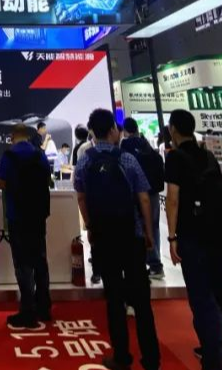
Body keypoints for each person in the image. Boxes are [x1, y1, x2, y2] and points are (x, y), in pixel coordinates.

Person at [165, 110, 222, 370]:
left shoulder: (175, 158)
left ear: (173, 129)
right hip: (217, 232)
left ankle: (213, 358)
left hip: (192, 235)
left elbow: (173, 199)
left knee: (202, 300)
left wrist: (172, 237)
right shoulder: (207, 155)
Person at [75, 108, 159, 370]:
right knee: (141, 299)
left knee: (114, 298)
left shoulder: (85, 161)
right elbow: (144, 197)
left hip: (104, 236)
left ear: (92, 132)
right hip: (131, 235)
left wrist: (90, 225)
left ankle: (121, 357)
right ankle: (151, 359)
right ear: (113, 129)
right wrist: (148, 232)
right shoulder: (128, 159)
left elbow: (81, 197)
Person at [0, 124, 52, 328]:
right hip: (38, 215)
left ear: (13, 136)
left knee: (22, 264)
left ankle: (27, 311)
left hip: (18, 215)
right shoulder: (39, 154)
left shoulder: (9, 156)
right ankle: (44, 307)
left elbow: (1, 182)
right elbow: (48, 178)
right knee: (40, 260)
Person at [121, 117, 166, 280]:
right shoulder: (145, 143)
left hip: (135, 192)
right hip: (152, 191)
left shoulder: (125, 145)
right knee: (153, 226)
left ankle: (140, 264)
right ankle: (155, 264)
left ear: (125, 131)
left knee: (137, 226)